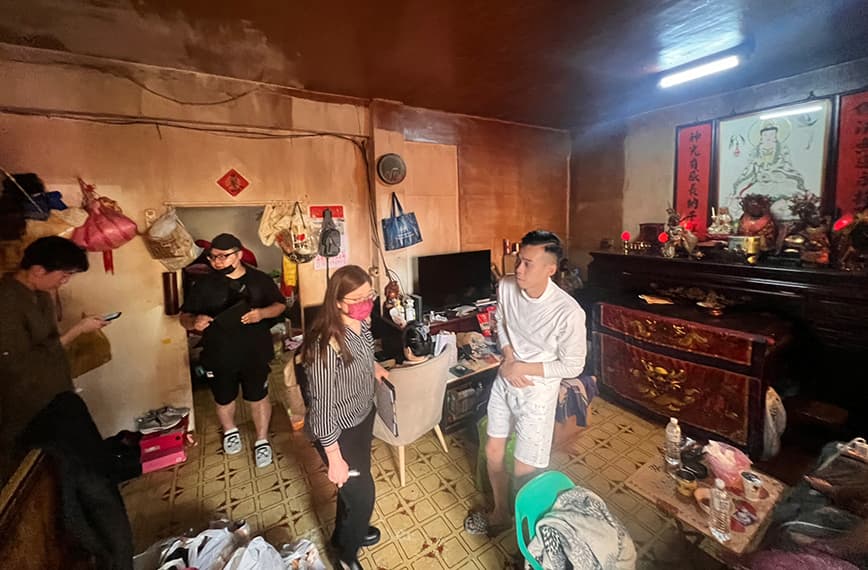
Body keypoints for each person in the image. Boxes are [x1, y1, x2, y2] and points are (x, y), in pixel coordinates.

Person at [468, 230, 586, 536]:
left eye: (528, 263)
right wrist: (509, 358)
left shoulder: (568, 312)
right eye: (518, 260)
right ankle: (501, 512)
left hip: (537, 393)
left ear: (550, 269)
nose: (518, 269)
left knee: (524, 469)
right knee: (493, 450)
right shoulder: (507, 286)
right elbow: (501, 322)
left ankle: (527, 536)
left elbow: (574, 365)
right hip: (505, 378)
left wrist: (524, 367)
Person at [0, 236, 109, 483]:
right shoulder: (7, 301)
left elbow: (48, 343)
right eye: (64, 274)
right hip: (29, 404)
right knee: (46, 473)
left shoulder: (40, 294)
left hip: (56, 392)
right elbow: (16, 363)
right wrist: (77, 330)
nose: (65, 281)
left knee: (84, 462)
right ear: (38, 270)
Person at [302, 265, 389, 570]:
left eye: (369, 296)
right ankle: (346, 556)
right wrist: (334, 457)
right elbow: (321, 407)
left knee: (352, 489)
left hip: (361, 417)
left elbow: (364, 356)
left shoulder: (361, 323)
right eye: (357, 299)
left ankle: (345, 534)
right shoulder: (326, 345)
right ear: (338, 302)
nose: (366, 303)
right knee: (363, 496)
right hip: (337, 430)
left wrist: (374, 368)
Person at [178, 233, 285, 468]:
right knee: (224, 398)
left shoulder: (260, 280)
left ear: (239, 255)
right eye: (212, 257)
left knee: (258, 397)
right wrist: (194, 321)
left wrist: (261, 314)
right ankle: (230, 431)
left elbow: (280, 305)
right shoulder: (203, 285)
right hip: (218, 353)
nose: (217, 262)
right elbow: (183, 317)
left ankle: (262, 440)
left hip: (254, 351)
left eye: (223, 256)